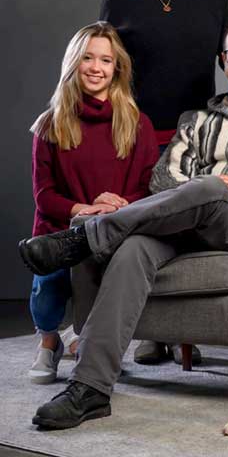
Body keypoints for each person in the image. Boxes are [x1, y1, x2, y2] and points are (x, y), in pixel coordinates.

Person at [19, 13, 228, 429]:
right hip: (180, 226)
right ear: (223, 60)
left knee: (211, 188)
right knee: (135, 247)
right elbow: (165, 179)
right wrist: (195, 192)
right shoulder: (199, 121)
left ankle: (85, 238)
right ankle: (91, 389)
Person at [100, 0, 228, 366]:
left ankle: (187, 330)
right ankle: (152, 333)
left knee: (190, 233)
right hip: (137, 136)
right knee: (143, 237)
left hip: (200, 136)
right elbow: (106, 64)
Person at [27, 21, 158, 384]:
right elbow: (44, 195)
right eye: (87, 58)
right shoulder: (49, 124)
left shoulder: (137, 124)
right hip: (61, 228)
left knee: (105, 286)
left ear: (118, 68)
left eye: (105, 60)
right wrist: (83, 210)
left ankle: (90, 341)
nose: (96, 68)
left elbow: (149, 189)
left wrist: (114, 208)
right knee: (49, 284)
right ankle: (50, 341)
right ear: (74, 62)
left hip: (114, 227)